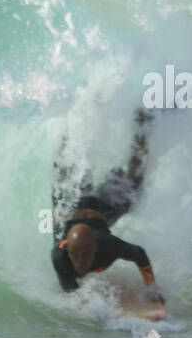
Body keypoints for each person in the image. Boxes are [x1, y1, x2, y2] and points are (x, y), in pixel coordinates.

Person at [51, 109, 162, 299]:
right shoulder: (60, 257)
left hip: (83, 205)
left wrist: (152, 288)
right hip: (96, 211)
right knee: (132, 184)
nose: (80, 261)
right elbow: (74, 295)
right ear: (68, 250)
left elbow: (139, 255)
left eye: (86, 254)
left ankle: (138, 120)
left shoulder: (109, 245)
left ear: (96, 247)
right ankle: (79, 114)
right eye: (76, 255)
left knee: (66, 172)